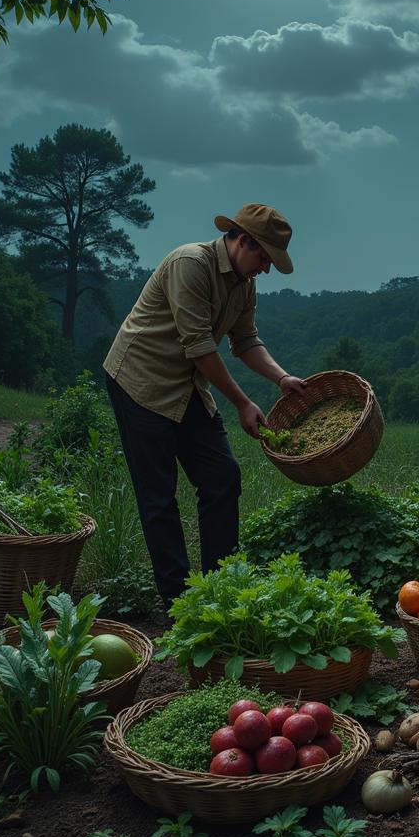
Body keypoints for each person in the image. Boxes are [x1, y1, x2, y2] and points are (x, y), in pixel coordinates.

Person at [103, 203, 306, 609]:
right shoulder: (190, 263)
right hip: (141, 382)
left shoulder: (244, 284)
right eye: (263, 257)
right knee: (158, 495)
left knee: (222, 477)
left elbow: (245, 341)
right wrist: (243, 403)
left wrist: (281, 378)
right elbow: (198, 347)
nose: (265, 268)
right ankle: (178, 601)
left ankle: (220, 588)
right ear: (242, 240)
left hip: (187, 387)